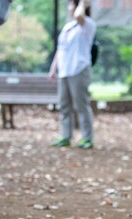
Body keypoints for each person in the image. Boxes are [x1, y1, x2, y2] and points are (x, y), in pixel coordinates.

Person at [48, 0, 96, 149]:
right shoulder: (68, 27)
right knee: (64, 106)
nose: (69, 7)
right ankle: (66, 136)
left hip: (79, 70)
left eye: (71, 4)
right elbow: (60, 48)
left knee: (81, 105)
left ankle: (87, 138)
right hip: (64, 71)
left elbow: (79, 15)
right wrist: (53, 68)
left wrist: (83, 3)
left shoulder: (87, 24)